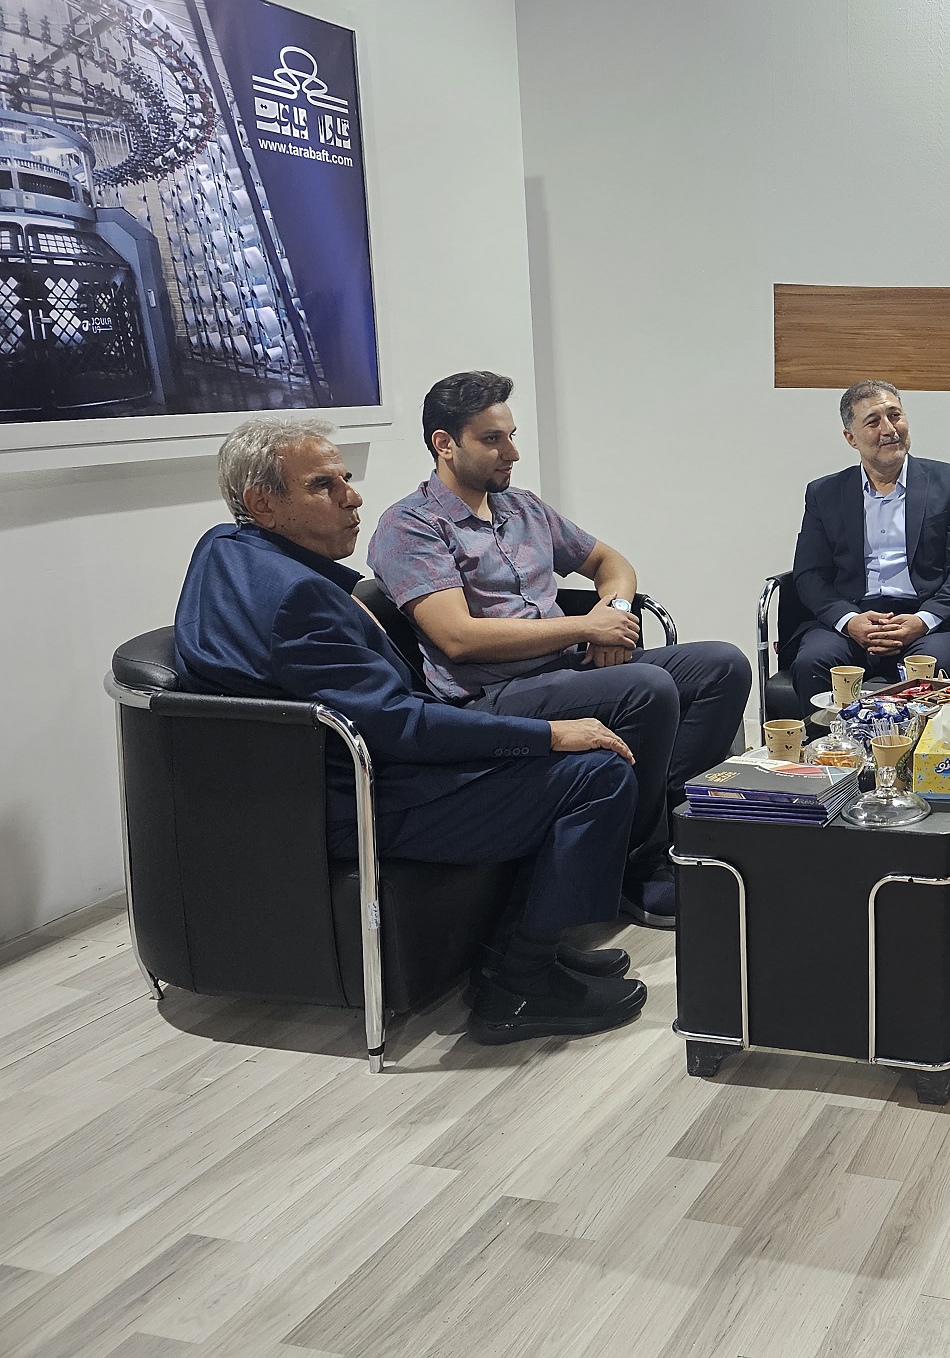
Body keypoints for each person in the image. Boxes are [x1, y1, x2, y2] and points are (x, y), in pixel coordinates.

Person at [174, 417, 647, 1045]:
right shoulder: (296, 599)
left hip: (302, 781)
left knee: (582, 742)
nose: (353, 497)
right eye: (323, 485)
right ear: (262, 503)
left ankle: (527, 946)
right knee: (597, 773)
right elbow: (398, 726)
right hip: (360, 796)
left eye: (345, 477)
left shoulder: (224, 547)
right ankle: (519, 985)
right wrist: (548, 735)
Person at [367, 371, 751, 930]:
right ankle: (635, 865)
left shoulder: (523, 507)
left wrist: (613, 614)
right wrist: (583, 627)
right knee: (647, 687)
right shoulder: (409, 527)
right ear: (444, 444)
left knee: (722, 665)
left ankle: (673, 835)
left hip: (565, 669)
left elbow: (611, 563)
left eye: (511, 436)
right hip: (493, 694)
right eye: (493, 439)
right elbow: (458, 637)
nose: (512, 452)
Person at [787, 379, 950, 704]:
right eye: (873, 422)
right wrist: (849, 621)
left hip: (925, 619)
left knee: (936, 661)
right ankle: (830, 740)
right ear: (851, 438)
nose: (889, 429)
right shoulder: (824, 493)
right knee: (813, 661)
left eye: (895, 416)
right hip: (853, 615)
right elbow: (810, 574)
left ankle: (919, 741)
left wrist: (923, 620)